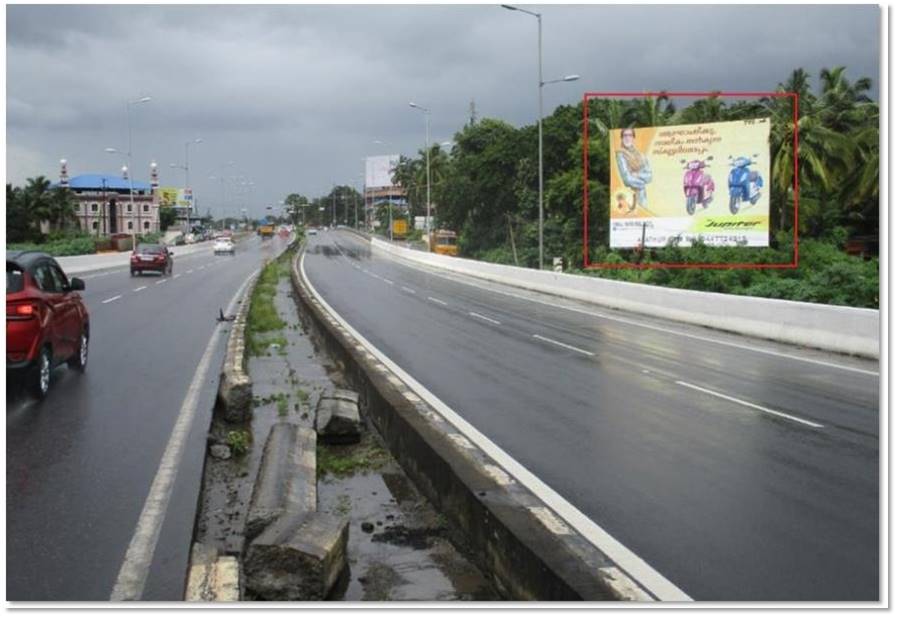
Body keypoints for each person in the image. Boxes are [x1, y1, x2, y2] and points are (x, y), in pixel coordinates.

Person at [615, 128, 653, 211]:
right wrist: (642, 184)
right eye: (625, 135)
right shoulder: (620, 154)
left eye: (630, 135)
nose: (627, 138)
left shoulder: (641, 155)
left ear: (633, 138)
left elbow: (649, 176)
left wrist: (637, 175)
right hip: (628, 197)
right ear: (621, 138)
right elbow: (627, 179)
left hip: (642, 199)